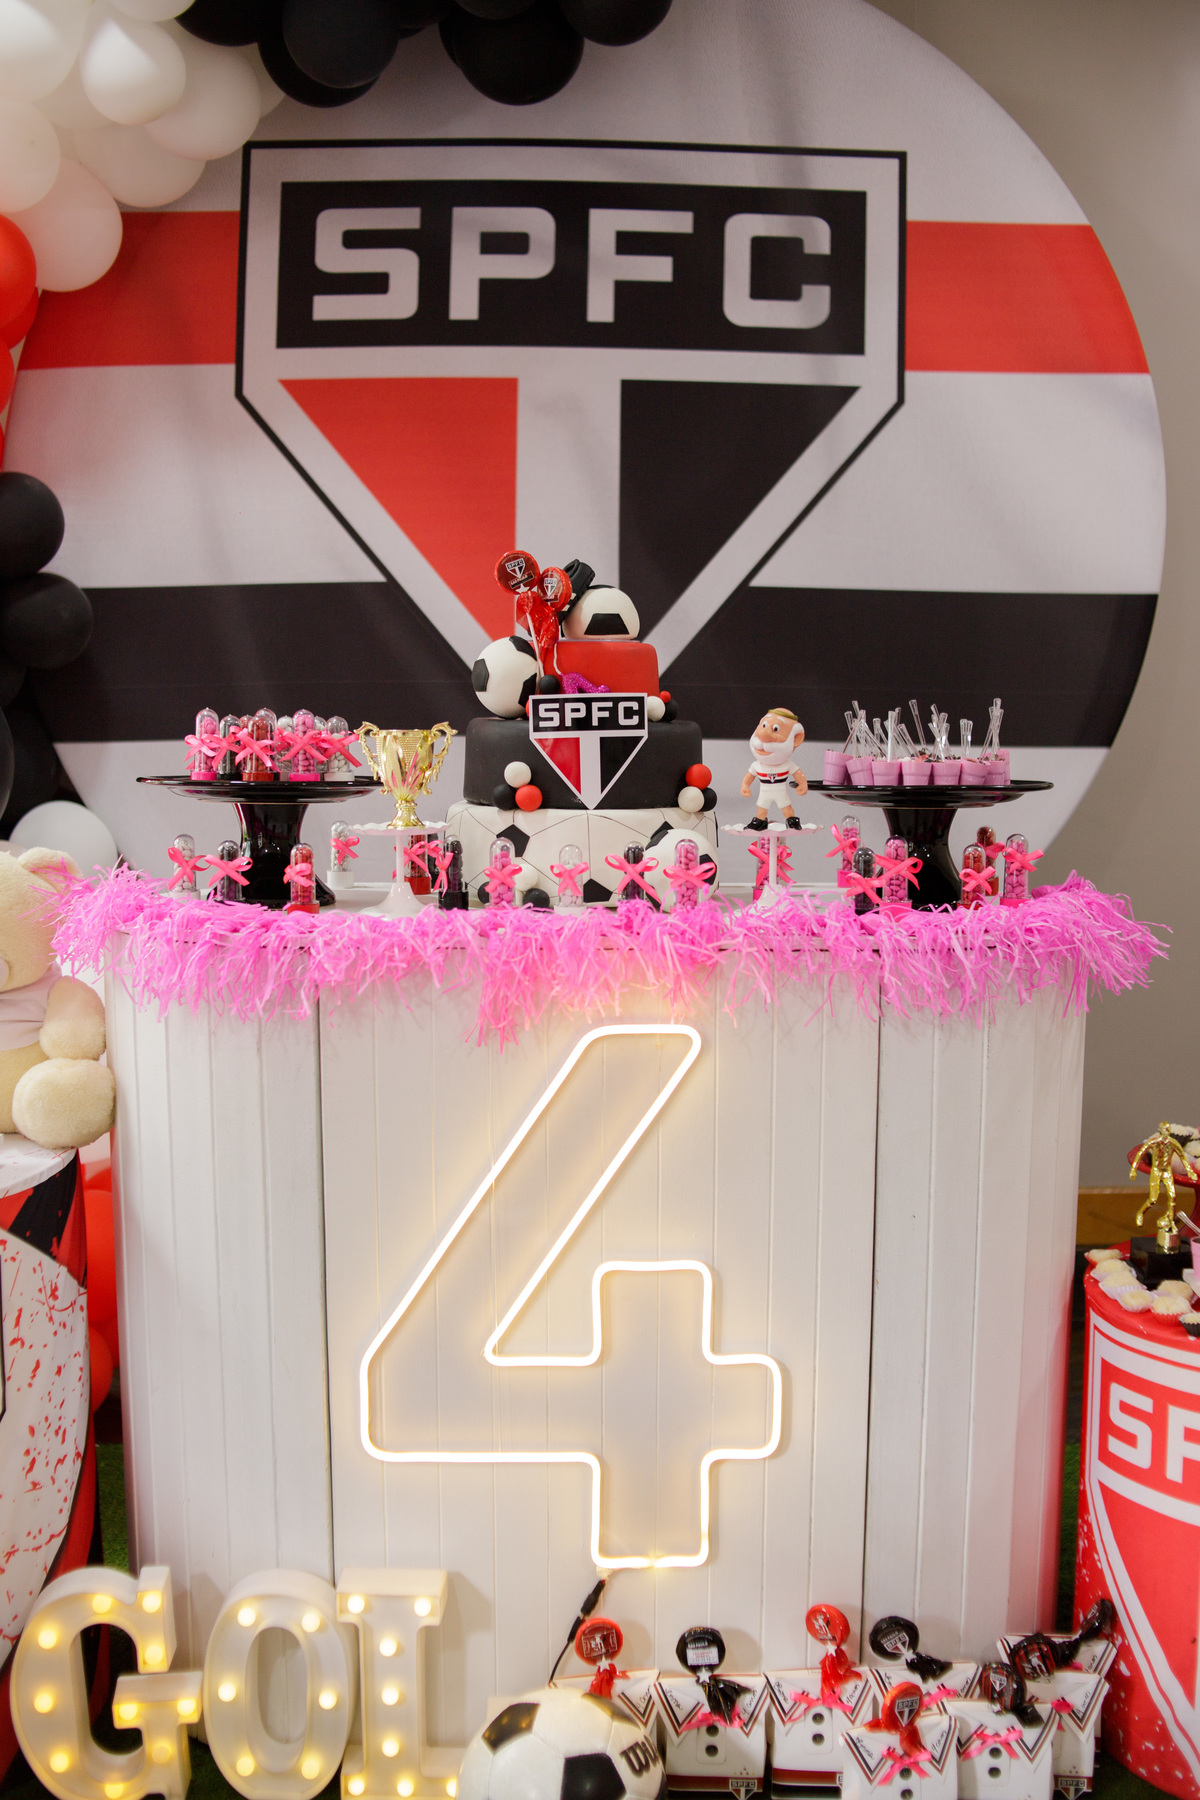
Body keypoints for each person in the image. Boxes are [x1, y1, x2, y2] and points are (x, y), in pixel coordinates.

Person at [740, 707, 806, 829]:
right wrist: (745, 785)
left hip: (780, 791)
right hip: (765, 792)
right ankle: (760, 822)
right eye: (763, 726)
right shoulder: (757, 765)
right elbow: (749, 776)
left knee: (787, 808)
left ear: (795, 739)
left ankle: (792, 821)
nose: (763, 736)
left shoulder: (787, 765)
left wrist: (802, 783)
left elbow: (798, 773)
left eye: (775, 729)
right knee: (761, 809)